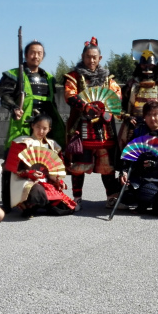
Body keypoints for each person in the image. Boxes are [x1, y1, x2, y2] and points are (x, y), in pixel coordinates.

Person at [0, 40, 66, 213]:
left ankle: (41, 198)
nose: (36, 56)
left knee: (44, 162)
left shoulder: (48, 77)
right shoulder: (13, 74)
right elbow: (5, 96)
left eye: (39, 53)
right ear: (26, 55)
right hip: (22, 123)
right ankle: (8, 200)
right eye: (33, 52)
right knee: (13, 161)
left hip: (43, 126)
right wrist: (14, 107)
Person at [63, 37, 122, 211]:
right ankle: (77, 198)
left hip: (104, 128)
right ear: (83, 57)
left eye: (94, 57)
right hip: (81, 127)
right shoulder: (74, 77)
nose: (91, 60)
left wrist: (106, 107)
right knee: (78, 166)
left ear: (100, 58)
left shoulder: (108, 79)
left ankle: (111, 197)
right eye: (88, 57)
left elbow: (116, 96)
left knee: (107, 167)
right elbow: (69, 95)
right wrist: (86, 106)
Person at [118, 101, 158, 217]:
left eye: (155, 114)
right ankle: (146, 199)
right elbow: (129, 155)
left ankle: (152, 200)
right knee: (126, 192)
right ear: (144, 117)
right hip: (141, 177)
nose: (152, 118)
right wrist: (124, 171)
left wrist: (157, 164)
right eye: (148, 115)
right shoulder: (138, 133)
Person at [8, 114, 75, 217]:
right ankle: (29, 205)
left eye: (44, 128)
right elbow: (14, 167)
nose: (41, 131)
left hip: (46, 181)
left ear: (49, 130)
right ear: (32, 126)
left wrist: (58, 180)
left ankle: (41, 204)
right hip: (27, 181)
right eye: (38, 127)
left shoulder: (52, 145)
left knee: (64, 208)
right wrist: (30, 173)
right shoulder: (24, 142)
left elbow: (55, 168)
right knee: (37, 191)